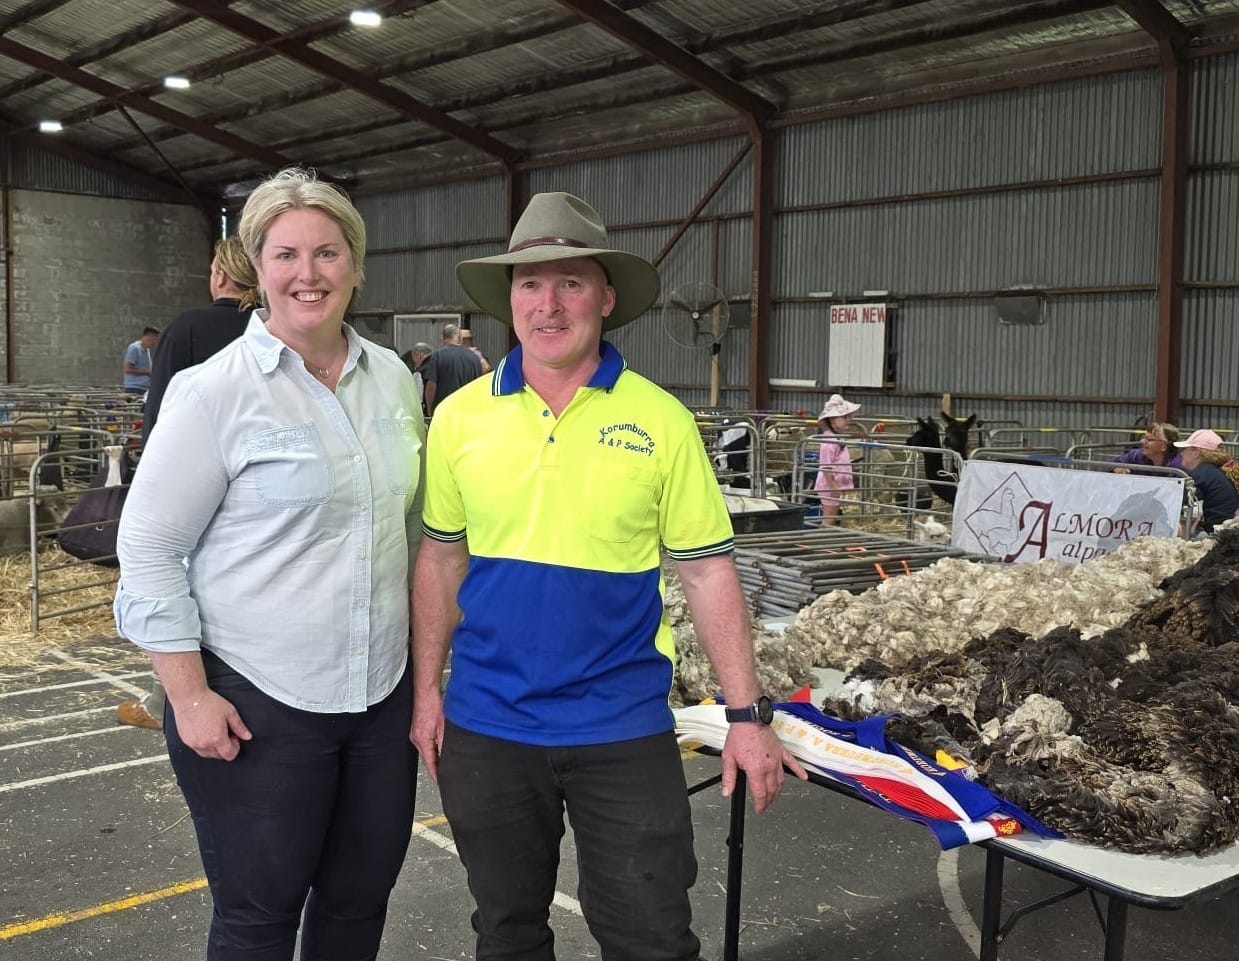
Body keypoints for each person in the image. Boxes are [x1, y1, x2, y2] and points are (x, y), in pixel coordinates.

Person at [411, 191, 806, 961]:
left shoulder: (659, 420)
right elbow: (439, 558)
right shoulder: (459, 418)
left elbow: (705, 572)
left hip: (620, 725)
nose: (547, 303)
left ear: (606, 295)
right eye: (529, 283)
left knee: (650, 935)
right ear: (509, 299)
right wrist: (427, 690)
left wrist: (745, 715)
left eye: (570, 282)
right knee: (506, 929)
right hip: (489, 724)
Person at [113, 166, 424, 961]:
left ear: (354, 263)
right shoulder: (212, 392)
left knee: (359, 903)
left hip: (378, 696)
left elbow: (413, 529)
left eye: (326, 253)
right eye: (285, 254)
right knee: (259, 916)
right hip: (258, 698)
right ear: (258, 267)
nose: (307, 274)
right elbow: (149, 548)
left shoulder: (391, 379)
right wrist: (187, 696)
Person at [116, 236, 260, 732]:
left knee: (183, 575)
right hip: (259, 485)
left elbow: (160, 414)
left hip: (197, 481)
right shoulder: (273, 326)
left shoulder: (190, 326)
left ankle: (171, 697)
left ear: (219, 274)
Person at [1174, 429, 1239, 533]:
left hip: (1213, 534)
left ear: (1196, 453)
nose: (1181, 454)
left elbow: (1189, 513)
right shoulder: (1214, 471)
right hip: (1227, 530)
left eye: (1185, 449)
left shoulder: (1199, 475)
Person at [813, 393, 861, 525]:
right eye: (845, 417)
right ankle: (824, 544)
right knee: (829, 518)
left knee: (831, 517)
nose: (848, 420)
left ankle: (826, 543)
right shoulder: (829, 441)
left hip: (833, 485)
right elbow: (826, 466)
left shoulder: (836, 438)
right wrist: (833, 487)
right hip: (829, 486)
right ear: (832, 419)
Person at [420, 321, 482, 415]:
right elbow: (479, 386)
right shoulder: (474, 358)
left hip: (445, 414)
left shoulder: (438, 356)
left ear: (443, 338)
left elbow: (431, 387)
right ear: (460, 338)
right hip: (468, 412)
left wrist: (430, 410)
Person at [1113, 422, 1184, 473]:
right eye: (1144, 438)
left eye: (1149, 439)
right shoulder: (1137, 455)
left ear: (1163, 446)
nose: (1142, 441)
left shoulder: (1178, 467)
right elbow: (1111, 464)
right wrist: (1116, 469)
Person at [122, 326, 159, 394]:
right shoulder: (134, 348)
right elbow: (127, 369)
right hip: (135, 388)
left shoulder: (147, 349)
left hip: (145, 387)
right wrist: (147, 372)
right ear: (148, 337)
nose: (155, 342)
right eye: (154, 339)